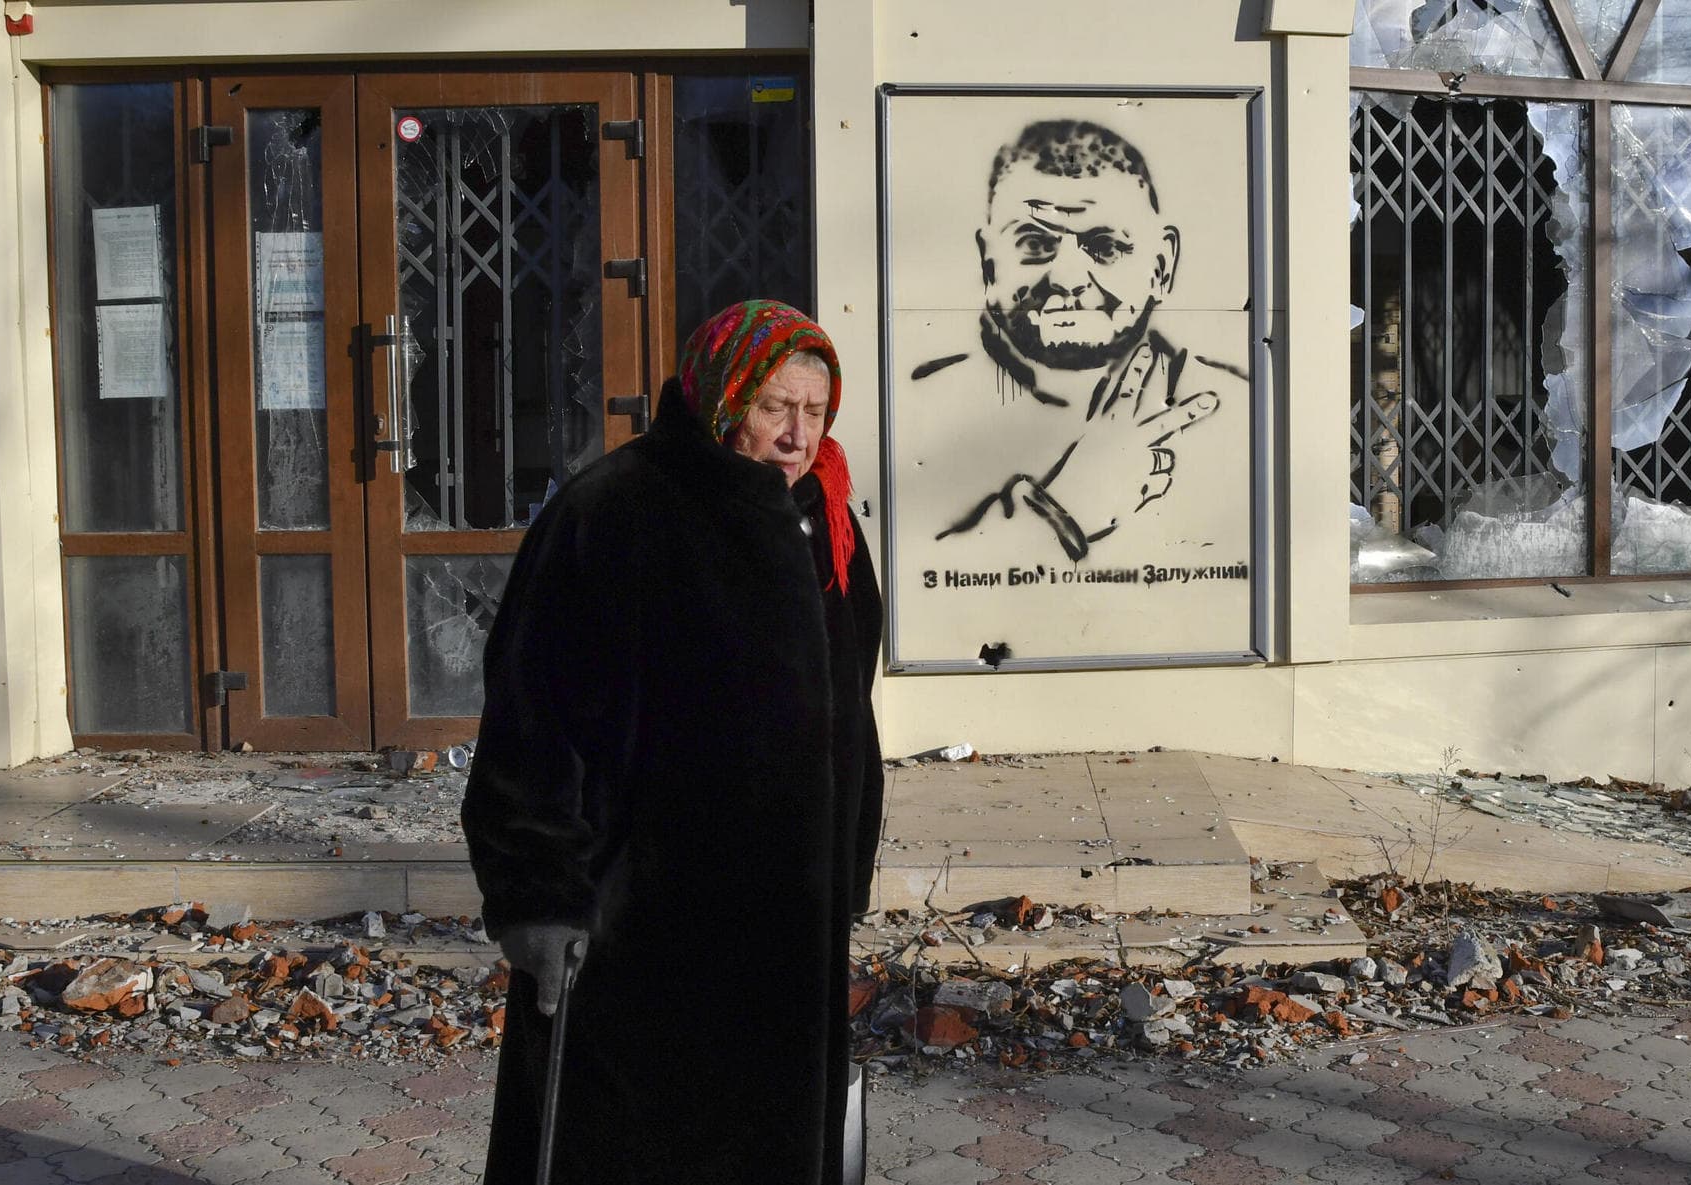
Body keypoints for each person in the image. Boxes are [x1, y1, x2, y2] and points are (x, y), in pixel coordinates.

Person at [461, 299, 884, 1184]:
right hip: (644, 927)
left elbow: (849, 705)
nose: (797, 435)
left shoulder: (826, 523)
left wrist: (845, 865)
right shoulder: (615, 512)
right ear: (725, 397)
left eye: (816, 411)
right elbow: (534, 721)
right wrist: (539, 896)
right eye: (777, 407)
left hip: (786, 924)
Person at [911, 118, 1241, 561]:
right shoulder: (917, 408)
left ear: (1162, 265)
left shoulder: (1239, 408)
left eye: (1104, 247)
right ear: (988, 264)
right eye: (1033, 243)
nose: (1066, 278)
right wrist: (1073, 509)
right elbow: (905, 581)